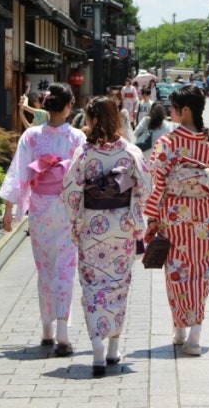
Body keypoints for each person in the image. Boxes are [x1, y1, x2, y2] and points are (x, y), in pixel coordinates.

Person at [63, 97, 152, 376]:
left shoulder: (84, 153)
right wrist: (132, 206)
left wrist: (76, 220)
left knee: (92, 286)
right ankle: (114, 347)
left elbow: (70, 192)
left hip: (92, 226)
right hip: (122, 227)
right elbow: (146, 186)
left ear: (91, 120)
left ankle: (97, 346)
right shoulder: (130, 152)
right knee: (118, 284)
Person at [0, 82, 87, 358]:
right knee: (65, 270)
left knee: (45, 268)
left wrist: (10, 209)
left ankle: (47, 330)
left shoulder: (32, 136)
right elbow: (83, 177)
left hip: (40, 209)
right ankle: (62, 333)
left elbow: (19, 173)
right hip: (67, 209)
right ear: (69, 106)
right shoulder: (77, 138)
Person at [145, 85, 209, 356]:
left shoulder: (168, 143)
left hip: (175, 214)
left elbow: (158, 181)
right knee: (201, 269)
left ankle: (180, 327)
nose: (171, 111)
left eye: (175, 107)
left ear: (186, 110)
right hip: (203, 214)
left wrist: (152, 216)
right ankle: (194, 333)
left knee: (176, 269)